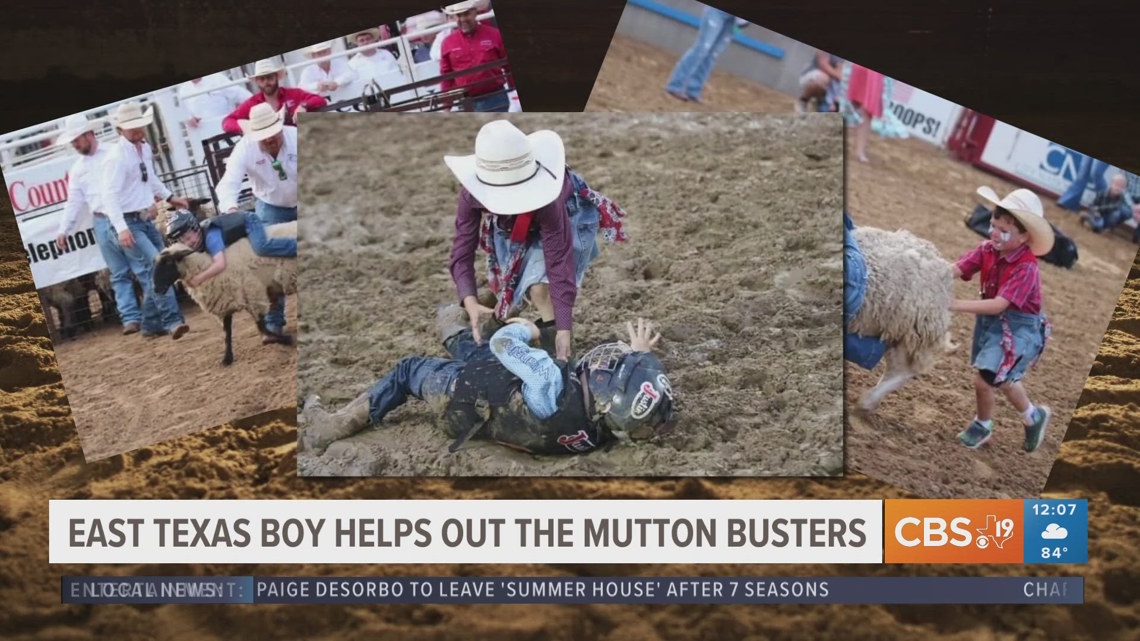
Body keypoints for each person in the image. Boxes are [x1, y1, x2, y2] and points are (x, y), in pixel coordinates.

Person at [299, 306, 677, 456]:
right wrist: (639, 353)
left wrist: (527, 329)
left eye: (614, 366)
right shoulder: (606, 425)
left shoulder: (548, 379)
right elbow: (636, 404)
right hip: (507, 414)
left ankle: (332, 427)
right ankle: (455, 325)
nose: (611, 358)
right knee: (482, 356)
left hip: (464, 402)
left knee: (410, 369)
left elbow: (503, 345)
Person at [445, 119, 627, 361]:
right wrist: (469, 299)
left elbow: (558, 263)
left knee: (541, 289)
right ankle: (508, 321)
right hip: (510, 224)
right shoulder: (471, 195)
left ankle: (556, 348)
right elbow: (462, 251)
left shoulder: (550, 199)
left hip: (566, 214)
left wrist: (564, 328)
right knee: (516, 286)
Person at [950, 186, 1054, 452]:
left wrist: (955, 304)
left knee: (984, 380)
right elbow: (959, 268)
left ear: (1024, 237)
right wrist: (930, 273)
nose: (994, 233)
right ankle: (1033, 416)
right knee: (1004, 379)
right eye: (993, 225)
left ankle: (982, 425)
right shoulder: (987, 249)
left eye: (1003, 230)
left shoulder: (1026, 267)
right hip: (994, 323)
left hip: (1019, 328)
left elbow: (999, 305)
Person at [100, 101, 191, 339]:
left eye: (139, 126)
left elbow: (150, 178)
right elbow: (108, 195)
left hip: (143, 218)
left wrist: (170, 196)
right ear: (120, 129)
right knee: (160, 264)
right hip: (129, 221)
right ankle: (173, 321)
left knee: (160, 266)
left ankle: (150, 324)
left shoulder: (143, 149)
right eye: (133, 127)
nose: (138, 130)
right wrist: (121, 228)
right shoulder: (117, 157)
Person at [53, 114, 143, 335]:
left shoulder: (114, 153)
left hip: (125, 215)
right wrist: (64, 229)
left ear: (89, 135)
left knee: (138, 267)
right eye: (72, 141)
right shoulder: (79, 169)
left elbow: (136, 179)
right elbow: (73, 201)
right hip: (103, 219)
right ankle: (130, 316)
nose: (74, 144)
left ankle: (146, 312)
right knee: (119, 271)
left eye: (76, 139)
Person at [214, 103, 299, 336]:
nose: (270, 140)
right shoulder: (244, 149)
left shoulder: (297, 136)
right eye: (264, 136)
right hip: (270, 204)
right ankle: (273, 321)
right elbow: (228, 183)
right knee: (269, 263)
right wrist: (230, 208)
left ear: (280, 127)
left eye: (273, 134)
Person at [164, 209, 296, 291]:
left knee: (261, 247)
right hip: (237, 231)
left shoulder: (210, 235)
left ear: (195, 227)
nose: (188, 243)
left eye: (188, 237)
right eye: (182, 241)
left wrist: (199, 278)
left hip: (248, 221)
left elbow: (220, 264)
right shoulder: (197, 243)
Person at [437, 0, 512, 112]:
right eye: (458, 15)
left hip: (496, 96)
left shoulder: (495, 34)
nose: (463, 19)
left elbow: (508, 66)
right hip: (467, 101)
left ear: (475, 12)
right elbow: (447, 76)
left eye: (466, 13)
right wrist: (446, 106)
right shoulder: (447, 43)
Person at [221, 58, 328, 135]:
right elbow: (227, 122)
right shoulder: (252, 103)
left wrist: (304, 105)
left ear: (276, 77)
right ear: (257, 81)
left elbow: (320, 100)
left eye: (269, 77)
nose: (267, 82)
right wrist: (247, 127)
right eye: (262, 79)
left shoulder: (293, 93)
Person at [663, 7, 743, 103]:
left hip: (735, 20)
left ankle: (694, 90)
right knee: (702, 48)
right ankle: (675, 86)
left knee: (713, 54)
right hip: (717, 11)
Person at [177, 72, 252, 132]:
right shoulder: (183, 90)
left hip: (228, 129)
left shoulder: (216, 78)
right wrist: (190, 120)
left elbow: (242, 95)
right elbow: (186, 117)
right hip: (204, 136)